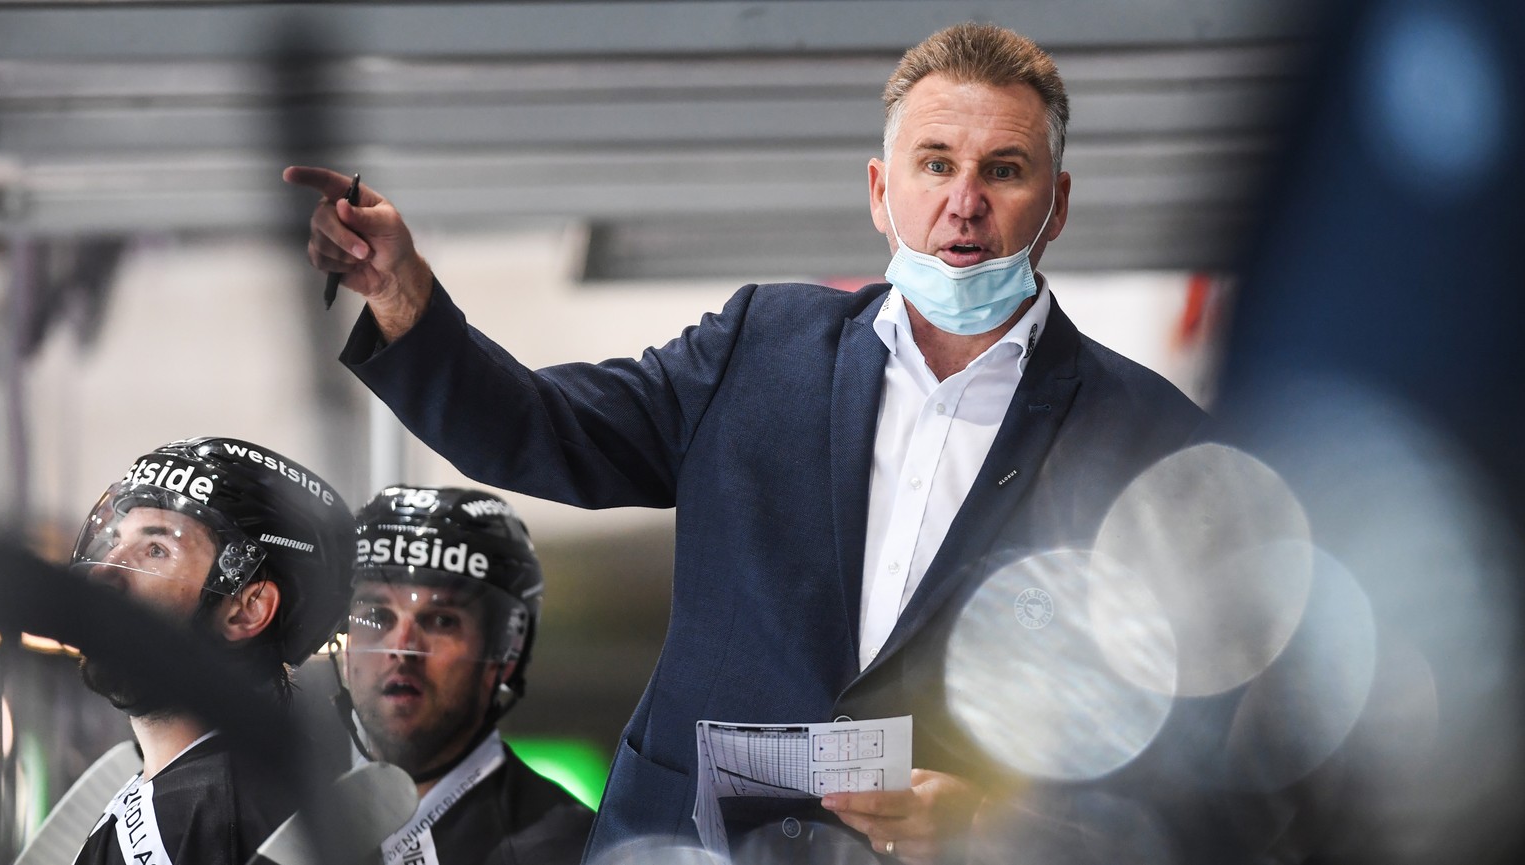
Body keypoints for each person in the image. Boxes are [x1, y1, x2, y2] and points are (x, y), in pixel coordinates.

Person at [285, 22, 1205, 863]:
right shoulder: (762, 345)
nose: (963, 202)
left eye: (1004, 169)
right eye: (935, 164)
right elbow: (542, 430)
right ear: (883, 193)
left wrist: (997, 826)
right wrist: (402, 293)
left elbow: (1203, 752)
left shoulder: (1149, 440)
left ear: (1059, 202)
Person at [68, 436, 355, 865]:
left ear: (245, 611)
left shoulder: (203, 813)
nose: (107, 570)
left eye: (155, 550)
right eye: (115, 543)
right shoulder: (194, 791)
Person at [330, 485, 593, 865]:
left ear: (505, 652)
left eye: (441, 620)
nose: (401, 649)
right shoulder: (269, 803)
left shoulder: (571, 851)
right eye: (376, 616)